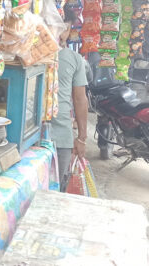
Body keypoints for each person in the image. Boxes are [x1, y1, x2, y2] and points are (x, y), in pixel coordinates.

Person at [52, 24, 88, 190]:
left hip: (61, 138)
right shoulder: (31, 51)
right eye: (57, 26)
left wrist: (81, 138)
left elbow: (80, 98)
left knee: (57, 189)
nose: (61, 32)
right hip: (31, 135)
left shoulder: (75, 58)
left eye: (65, 28)